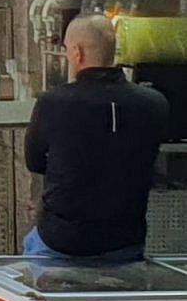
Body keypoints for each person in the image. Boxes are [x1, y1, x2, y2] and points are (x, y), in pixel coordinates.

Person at [23, 14, 168, 262]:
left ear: (77, 53)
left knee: (33, 248)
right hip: (124, 238)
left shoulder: (53, 102)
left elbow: (34, 162)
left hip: (61, 238)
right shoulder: (154, 103)